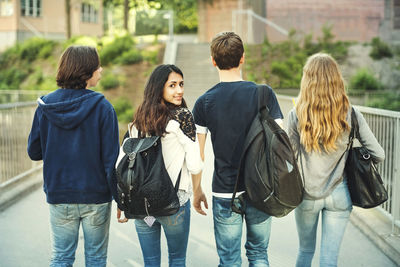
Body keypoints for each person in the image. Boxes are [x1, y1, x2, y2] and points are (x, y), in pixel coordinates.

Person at [192, 31, 284, 267]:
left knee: (229, 260)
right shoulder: (264, 94)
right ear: (242, 58)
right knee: (259, 255)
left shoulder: (204, 102)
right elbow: (280, 142)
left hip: (224, 191)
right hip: (261, 188)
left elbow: (198, 155)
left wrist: (197, 189)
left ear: (213, 61)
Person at [287, 53, 385, 267]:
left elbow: (289, 161)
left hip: (307, 195)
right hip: (340, 194)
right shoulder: (351, 114)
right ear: (337, 80)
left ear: (307, 80)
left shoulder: (296, 115)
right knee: (329, 259)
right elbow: (379, 154)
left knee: (305, 251)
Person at [27, 45, 120, 267]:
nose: (101, 70)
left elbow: (34, 152)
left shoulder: (46, 106)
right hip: (96, 196)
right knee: (96, 259)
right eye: (98, 66)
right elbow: (111, 161)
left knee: (61, 257)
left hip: (60, 194)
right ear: (86, 71)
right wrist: (121, 200)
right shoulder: (103, 108)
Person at [116, 64, 204, 267]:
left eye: (181, 84)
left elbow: (120, 166)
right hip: (174, 204)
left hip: (142, 206)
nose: (179, 90)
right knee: (177, 260)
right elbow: (195, 164)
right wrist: (198, 191)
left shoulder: (136, 124)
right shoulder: (182, 118)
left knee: (150, 262)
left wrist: (121, 202)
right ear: (159, 88)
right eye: (172, 85)